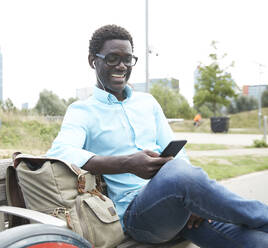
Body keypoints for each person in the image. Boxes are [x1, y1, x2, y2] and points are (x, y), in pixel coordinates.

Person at [46, 24, 268, 247]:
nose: (122, 66)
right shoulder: (82, 111)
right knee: (178, 173)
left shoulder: (148, 103)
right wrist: (128, 164)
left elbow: (179, 155)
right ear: (93, 60)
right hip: (136, 217)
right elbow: (60, 152)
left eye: (128, 59)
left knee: (258, 242)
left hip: (180, 207)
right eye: (113, 58)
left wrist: (193, 200)